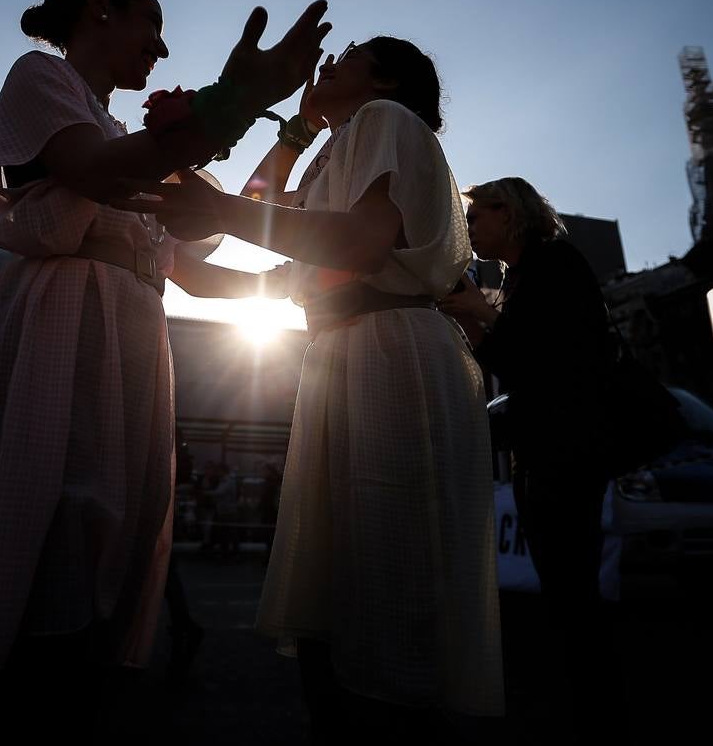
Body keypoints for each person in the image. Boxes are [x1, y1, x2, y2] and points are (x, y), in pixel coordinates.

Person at [0, 0, 328, 734]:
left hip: (128, 332)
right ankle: (27, 695)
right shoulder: (40, 78)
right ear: (99, 9)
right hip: (64, 318)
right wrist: (238, 98)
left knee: (118, 523)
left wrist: (298, 278)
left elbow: (197, 256)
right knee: (57, 511)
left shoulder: (122, 133)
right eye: (150, 26)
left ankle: (76, 689)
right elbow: (92, 171)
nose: (160, 49)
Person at [115, 36, 505, 735]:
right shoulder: (339, 148)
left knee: (387, 570)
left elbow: (344, 243)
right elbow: (257, 211)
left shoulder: (385, 120)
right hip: (346, 351)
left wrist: (216, 210)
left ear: (385, 79)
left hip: (387, 350)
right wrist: (286, 136)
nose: (329, 63)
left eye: (348, 55)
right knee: (352, 576)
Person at [440, 176, 622, 738]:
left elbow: (560, 351)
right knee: (558, 573)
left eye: (478, 217)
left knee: (571, 577)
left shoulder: (556, 263)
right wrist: (473, 314)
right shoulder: (515, 277)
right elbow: (510, 359)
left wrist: (483, 313)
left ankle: (590, 700)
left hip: (569, 445)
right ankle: (577, 689)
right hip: (540, 445)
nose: (471, 228)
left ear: (508, 212)